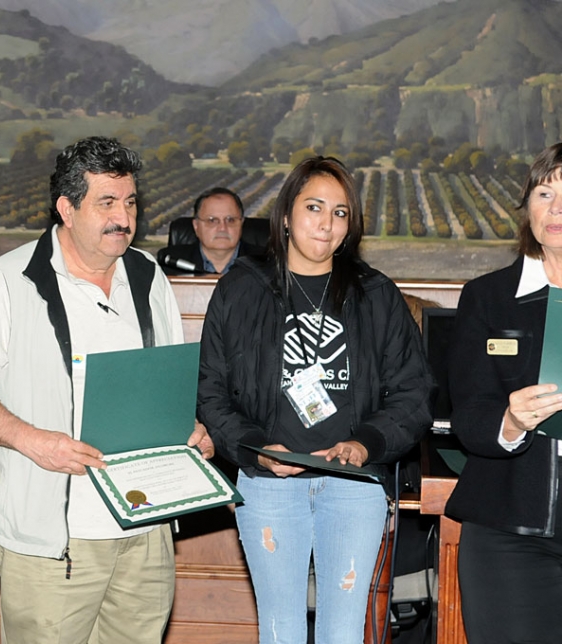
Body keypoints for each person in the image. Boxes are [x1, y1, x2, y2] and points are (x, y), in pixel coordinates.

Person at [0, 136, 213, 644]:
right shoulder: (9, 280)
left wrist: (187, 431)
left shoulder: (149, 275)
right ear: (66, 209)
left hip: (144, 529)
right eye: (106, 203)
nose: (123, 218)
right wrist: (32, 440)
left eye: (130, 202)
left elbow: (163, 384)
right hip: (52, 535)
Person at [196, 156, 433, 643]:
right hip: (267, 484)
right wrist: (256, 446)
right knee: (280, 630)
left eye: (341, 212)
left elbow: (413, 393)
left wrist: (366, 443)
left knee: (343, 633)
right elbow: (210, 391)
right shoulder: (241, 289)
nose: (327, 223)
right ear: (285, 216)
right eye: (314, 207)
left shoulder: (376, 294)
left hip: (352, 485)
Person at [444, 142, 562, 643]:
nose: (556, 208)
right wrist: (510, 423)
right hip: (509, 537)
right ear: (528, 208)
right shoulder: (487, 297)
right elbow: (467, 416)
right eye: (544, 192)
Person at [157, 187, 244, 275]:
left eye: (230, 220)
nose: (222, 228)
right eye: (212, 220)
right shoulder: (169, 264)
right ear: (196, 226)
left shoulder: (258, 262)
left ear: (241, 223)